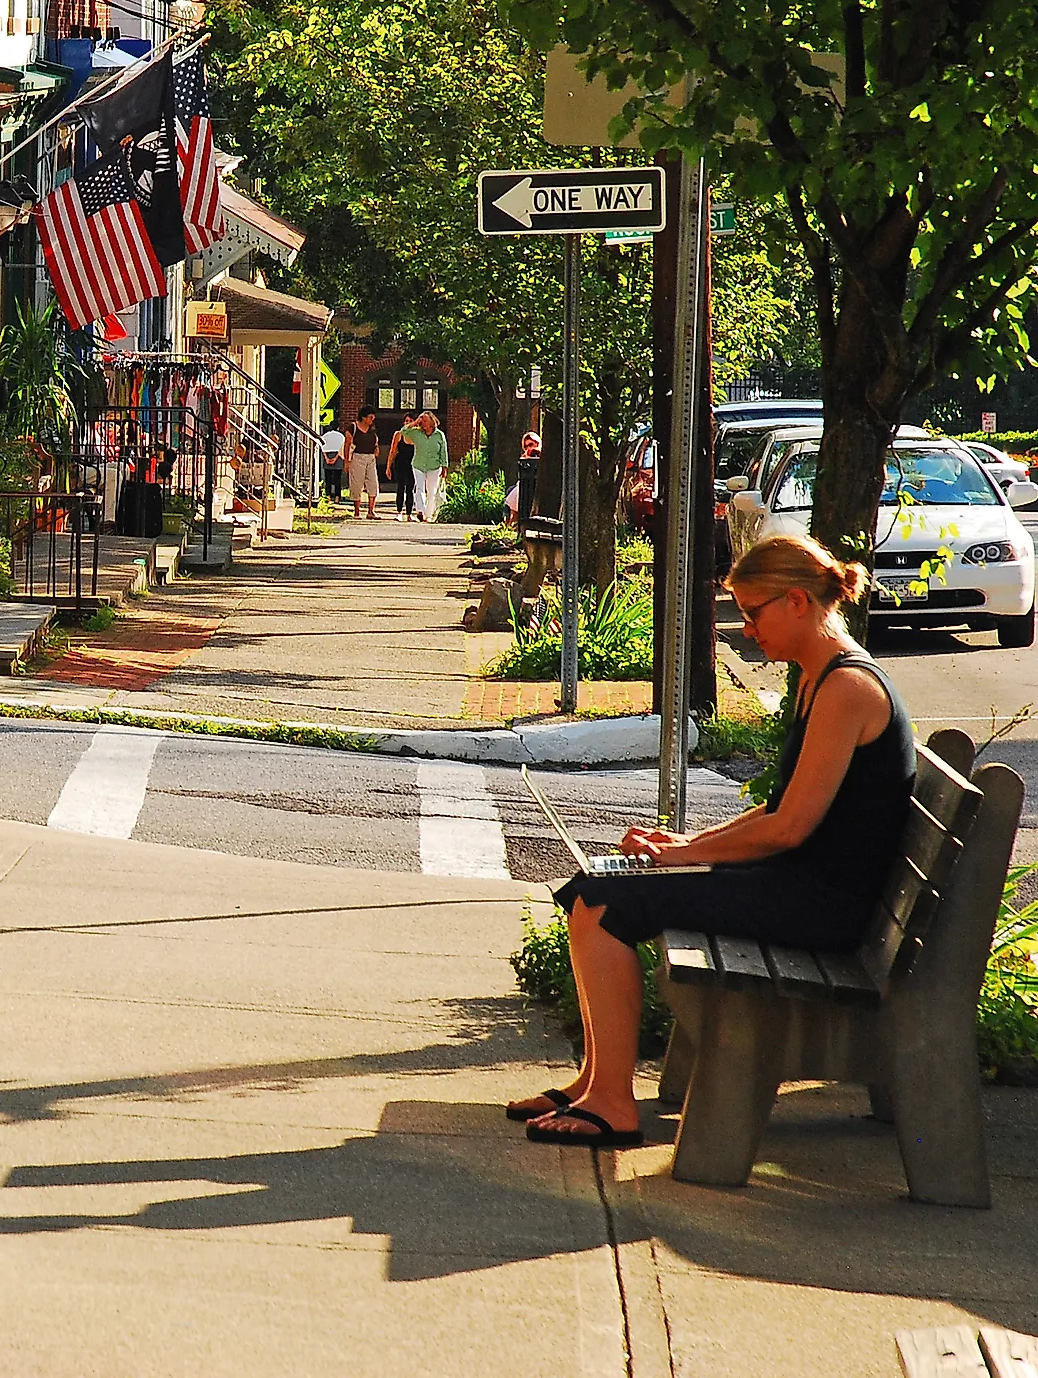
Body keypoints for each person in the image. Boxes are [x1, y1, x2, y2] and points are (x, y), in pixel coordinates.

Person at [509, 535, 910, 1147]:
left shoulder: (847, 689)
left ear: (798, 601)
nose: (746, 628)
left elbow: (788, 829)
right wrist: (686, 844)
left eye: (753, 611)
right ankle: (594, 1082)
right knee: (595, 889)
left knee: (607, 903)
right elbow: (780, 812)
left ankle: (614, 1104)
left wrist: (684, 855)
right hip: (804, 888)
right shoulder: (817, 678)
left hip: (825, 907)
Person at [409, 409, 451, 521]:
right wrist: (415, 422)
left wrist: (444, 466)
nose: (423, 423)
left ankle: (429, 514)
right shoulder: (417, 433)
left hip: (434, 466)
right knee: (419, 487)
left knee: (432, 491)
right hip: (418, 464)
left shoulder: (439, 435)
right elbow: (404, 431)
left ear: (432, 422)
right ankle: (420, 511)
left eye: (425, 421)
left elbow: (443, 451)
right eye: (421, 421)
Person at [347, 406, 381, 519]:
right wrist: (347, 461)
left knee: (373, 483)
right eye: (370, 417)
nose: (372, 419)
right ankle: (357, 512)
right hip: (357, 457)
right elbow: (347, 444)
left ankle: (371, 511)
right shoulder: (353, 427)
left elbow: (375, 439)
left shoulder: (372, 428)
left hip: (370, 457)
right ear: (363, 417)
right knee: (357, 484)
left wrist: (376, 447)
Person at [388, 420, 417, 519]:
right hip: (400, 463)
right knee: (400, 487)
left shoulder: (417, 435)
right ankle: (399, 512)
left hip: (412, 464)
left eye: (410, 421)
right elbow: (393, 450)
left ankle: (409, 513)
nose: (408, 423)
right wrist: (388, 467)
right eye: (406, 421)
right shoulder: (399, 434)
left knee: (411, 488)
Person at [319, 421, 346, 505]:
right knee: (338, 479)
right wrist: (336, 458)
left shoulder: (326, 435)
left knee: (328, 479)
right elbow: (342, 447)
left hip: (327, 455)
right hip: (338, 457)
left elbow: (322, 446)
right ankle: (337, 497)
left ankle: (328, 496)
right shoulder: (341, 436)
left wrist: (326, 458)